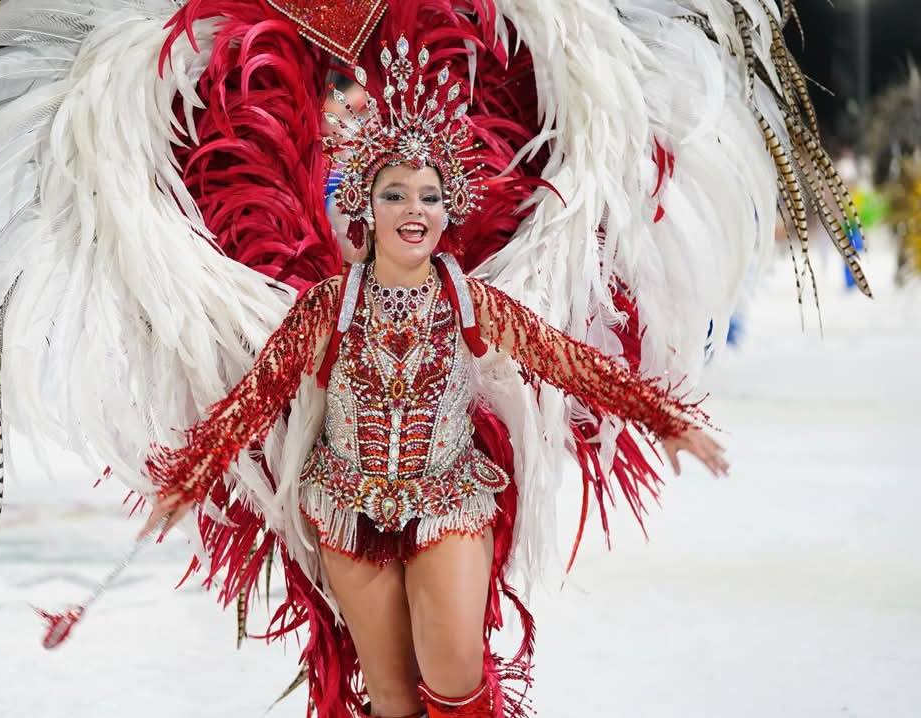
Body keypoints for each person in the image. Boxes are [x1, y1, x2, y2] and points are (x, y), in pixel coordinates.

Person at [139, 40, 727, 717]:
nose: (413, 210)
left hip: (450, 502)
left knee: (453, 681)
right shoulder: (329, 305)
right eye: (395, 195)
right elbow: (259, 394)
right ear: (367, 206)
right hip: (345, 509)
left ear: (448, 210)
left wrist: (664, 420)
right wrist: (190, 477)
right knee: (392, 699)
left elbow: (567, 361)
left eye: (429, 196)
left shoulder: (470, 302)